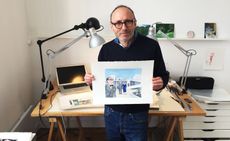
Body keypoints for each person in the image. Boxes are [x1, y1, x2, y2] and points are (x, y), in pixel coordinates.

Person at [84, 5, 169, 141]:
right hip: (111, 114)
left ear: (135, 23)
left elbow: (163, 75)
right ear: (112, 26)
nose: (123, 27)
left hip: (138, 115)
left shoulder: (151, 46)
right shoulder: (106, 49)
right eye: (118, 23)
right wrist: (91, 81)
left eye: (128, 22)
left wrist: (161, 82)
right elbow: (100, 85)